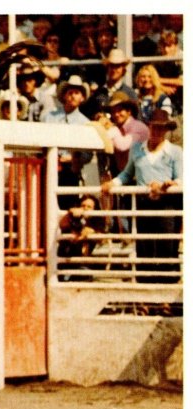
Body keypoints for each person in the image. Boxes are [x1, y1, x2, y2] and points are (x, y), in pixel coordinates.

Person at [101, 110, 183, 283]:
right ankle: (145, 294)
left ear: (166, 130)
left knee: (166, 246)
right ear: (149, 127)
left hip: (167, 205)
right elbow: (127, 173)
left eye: (161, 129)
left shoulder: (175, 152)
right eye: (154, 127)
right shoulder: (137, 149)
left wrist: (167, 185)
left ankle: (166, 295)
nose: (157, 132)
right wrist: (113, 183)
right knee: (144, 245)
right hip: (143, 203)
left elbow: (181, 178)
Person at [42, 75, 92, 207]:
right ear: (64, 96)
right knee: (47, 204)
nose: (73, 96)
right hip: (49, 168)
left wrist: (74, 158)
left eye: (77, 93)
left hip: (71, 171)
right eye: (70, 92)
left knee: (68, 205)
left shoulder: (85, 123)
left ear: (82, 98)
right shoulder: (49, 117)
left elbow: (88, 154)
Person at [57, 194, 105, 280]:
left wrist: (92, 232)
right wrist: (70, 212)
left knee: (84, 275)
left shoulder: (96, 220)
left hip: (82, 260)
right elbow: (62, 225)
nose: (85, 208)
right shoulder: (73, 216)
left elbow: (102, 238)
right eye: (83, 205)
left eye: (89, 207)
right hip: (66, 258)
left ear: (94, 209)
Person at [83, 49, 138, 119]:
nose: (114, 70)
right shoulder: (99, 92)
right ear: (107, 68)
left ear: (123, 70)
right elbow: (87, 114)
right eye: (111, 66)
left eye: (117, 66)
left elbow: (137, 118)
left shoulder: (129, 93)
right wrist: (95, 116)